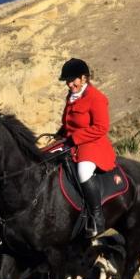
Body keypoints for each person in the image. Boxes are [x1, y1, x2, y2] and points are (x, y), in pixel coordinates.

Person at [55, 58, 116, 238]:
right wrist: (60, 134)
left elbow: (101, 127)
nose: (69, 83)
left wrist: (74, 138)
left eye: (73, 80)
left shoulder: (97, 98)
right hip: (72, 142)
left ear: (84, 78)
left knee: (83, 171)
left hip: (93, 143)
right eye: (67, 80)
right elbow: (70, 122)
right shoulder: (71, 96)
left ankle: (97, 217)